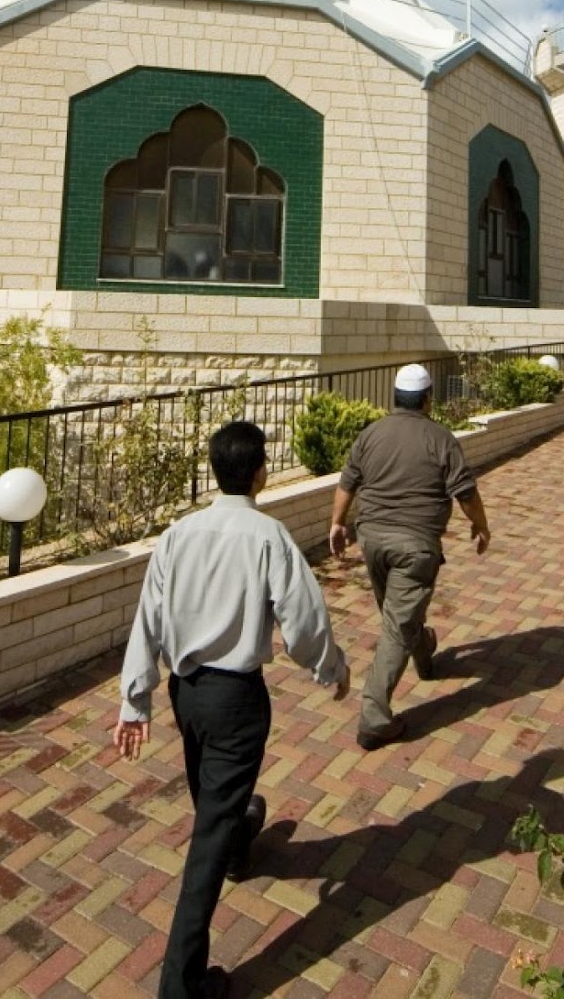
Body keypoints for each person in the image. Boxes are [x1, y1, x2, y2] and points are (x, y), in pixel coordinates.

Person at [114, 419, 350, 999]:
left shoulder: (179, 534)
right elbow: (303, 621)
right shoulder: (268, 537)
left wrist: (135, 700)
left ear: (216, 471)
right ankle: (181, 984)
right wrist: (332, 668)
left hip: (186, 695)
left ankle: (238, 838)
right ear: (261, 473)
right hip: (236, 702)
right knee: (207, 839)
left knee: (213, 801)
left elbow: (148, 617)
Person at [328, 363, 491, 751]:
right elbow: (466, 492)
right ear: (428, 398)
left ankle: (424, 649)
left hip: (371, 540)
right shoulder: (440, 438)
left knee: (398, 617)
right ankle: (374, 718)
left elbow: (347, 482)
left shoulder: (371, 433)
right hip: (415, 547)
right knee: (397, 626)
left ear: (396, 397)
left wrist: (336, 524)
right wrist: (482, 526)